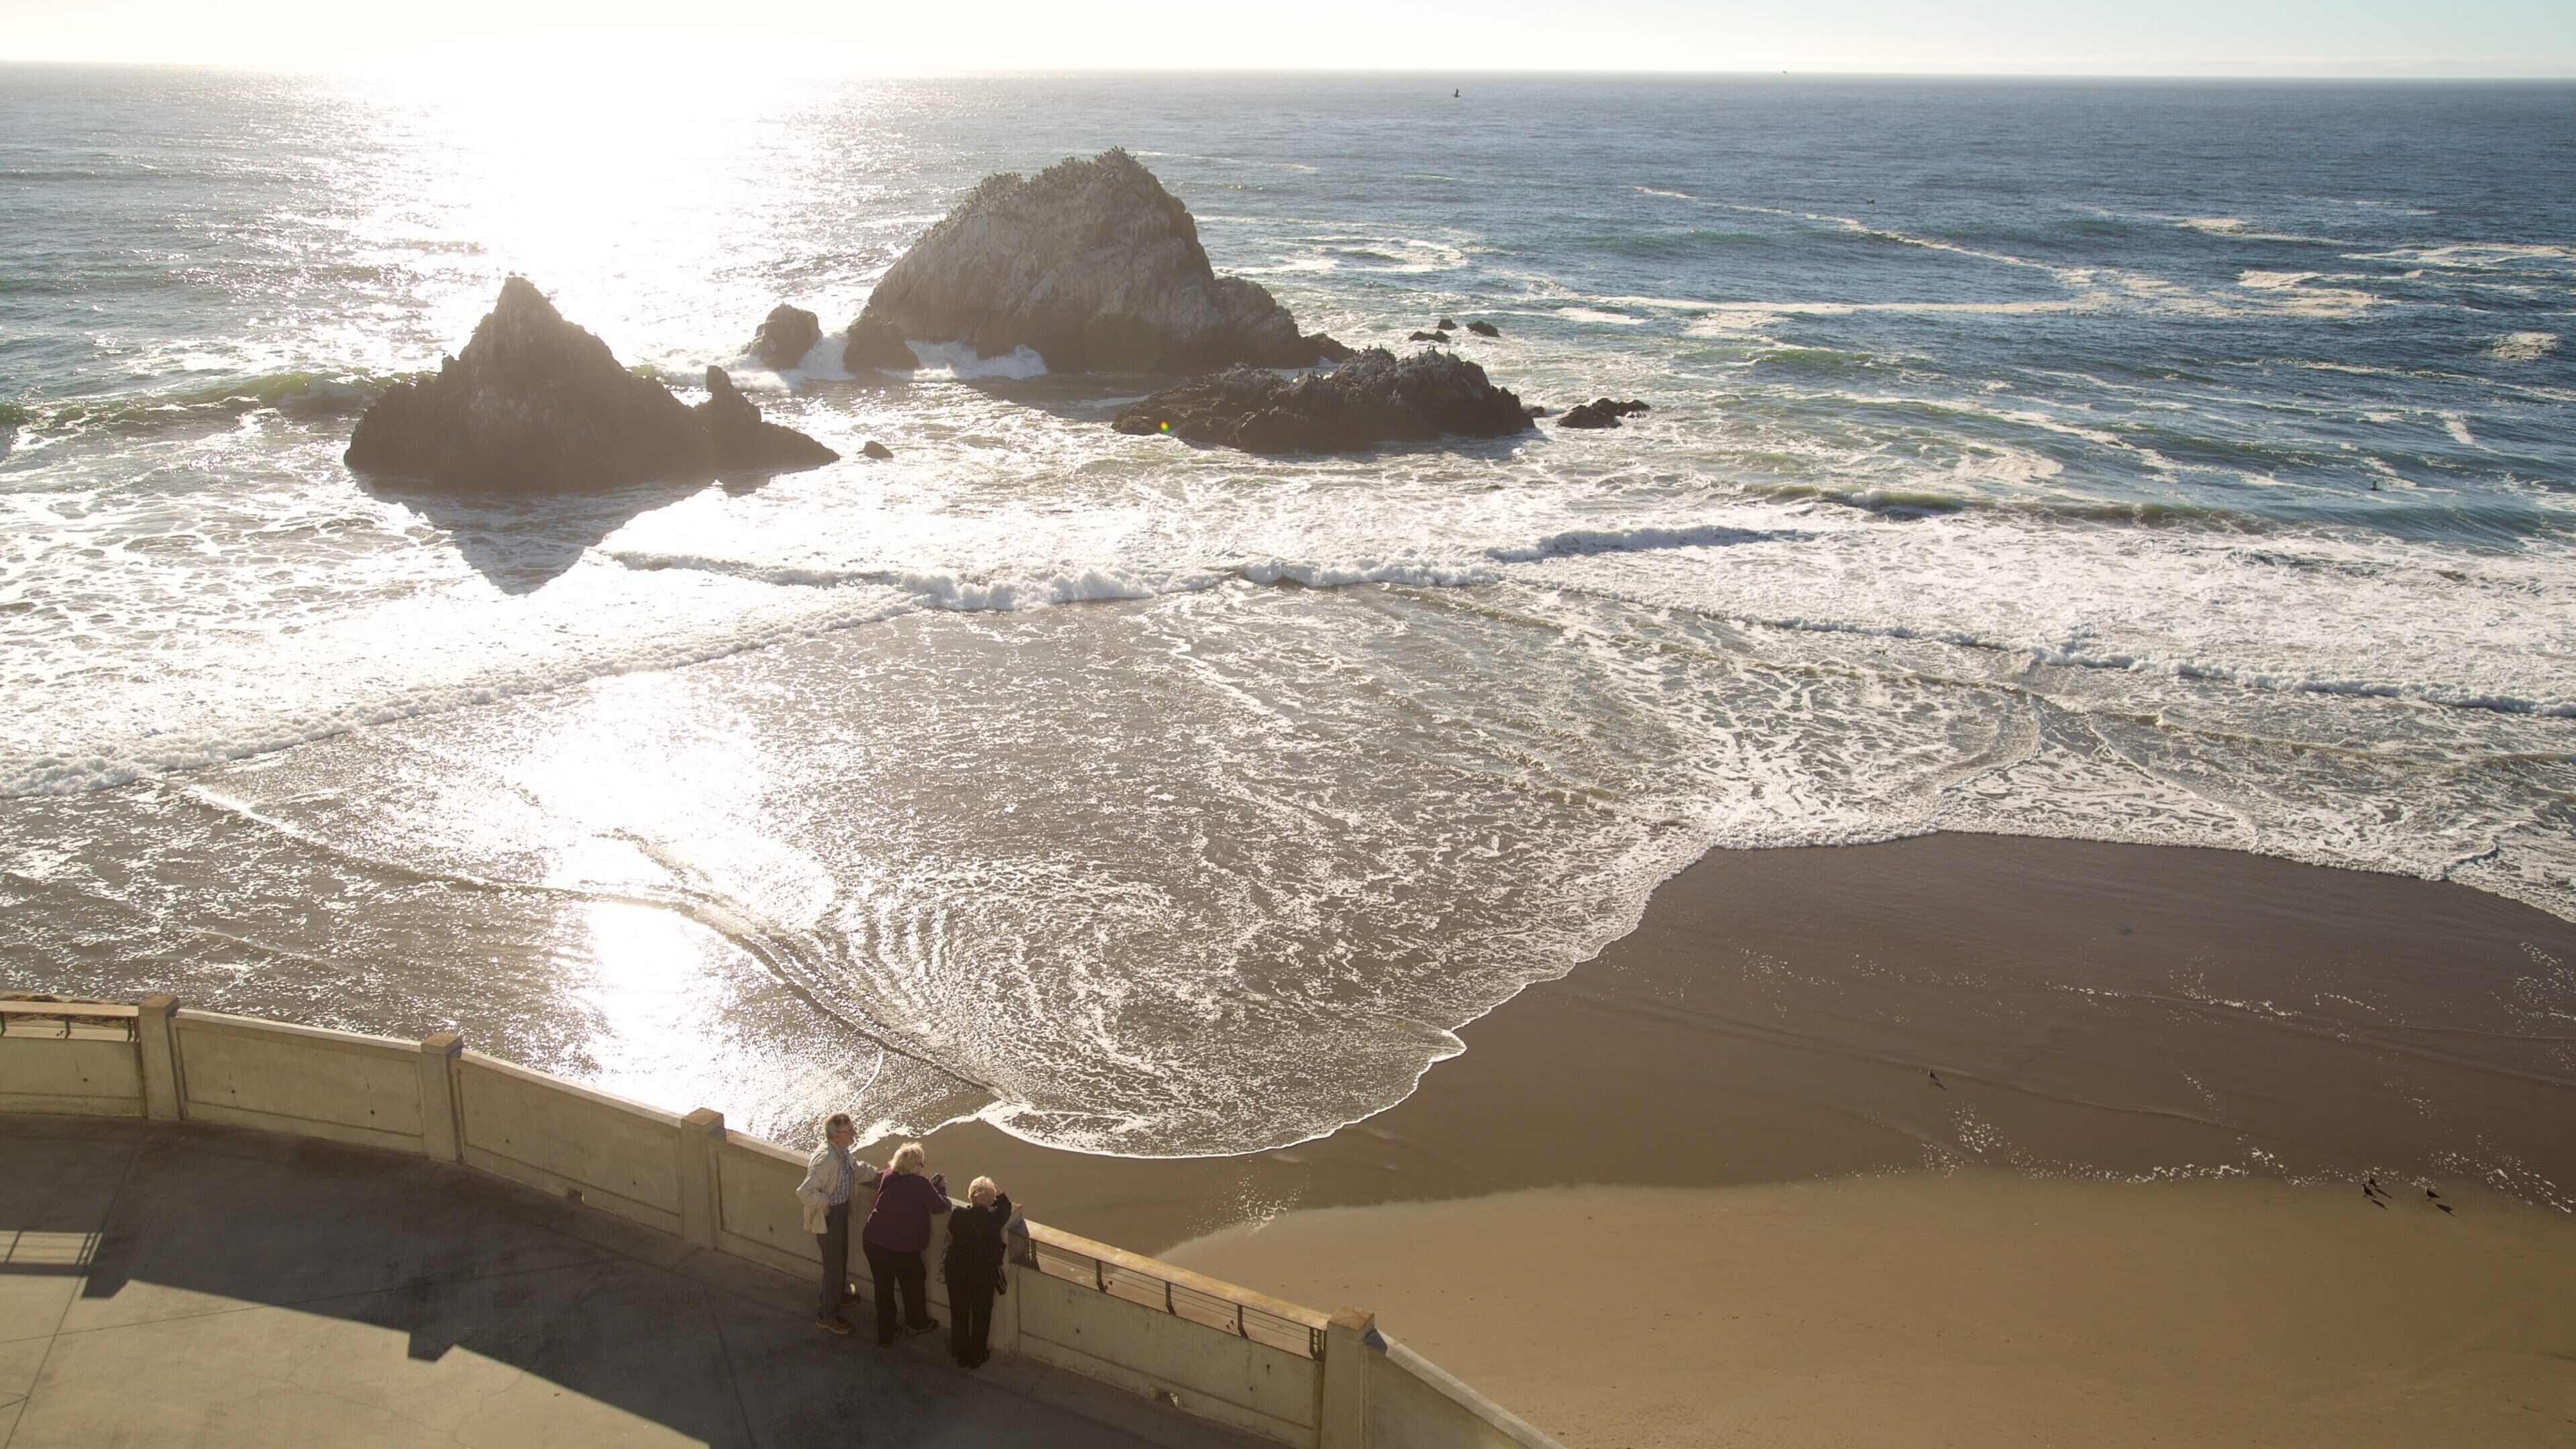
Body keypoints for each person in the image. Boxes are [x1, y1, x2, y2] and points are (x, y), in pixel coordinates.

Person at [794, 1113, 879, 1336]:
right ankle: (827, 1316)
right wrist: (824, 1202)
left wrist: (878, 1175)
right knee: (834, 1266)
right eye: (849, 1131)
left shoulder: (840, 1152)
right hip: (829, 1216)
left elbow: (856, 1170)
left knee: (839, 1260)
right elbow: (804, 1192)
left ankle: (837, 1295)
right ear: (835, 1135)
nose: (854, 1134)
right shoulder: (827, 1159)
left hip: (838, 1212)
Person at [861, 1141, 950, 1346]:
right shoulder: (920, 1185)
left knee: (883, 1290)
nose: (923, 1167)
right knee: (914, 1284)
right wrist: (941, 1189)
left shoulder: (889, 1175)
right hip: (902, 1248)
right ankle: (917, 1324)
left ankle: (886, 1334)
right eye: (922, 1163)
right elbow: (939, 1207)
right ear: (914, 1166)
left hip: (873, 1240)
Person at [943, 1176, 1014, 1368]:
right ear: (991, 1201)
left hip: (957, 1269)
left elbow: (952, 1227)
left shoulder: (958, 1216)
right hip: (982, 1273)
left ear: (970, 1197)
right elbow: (1006, 1206)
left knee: (959, 1312)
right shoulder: (994, 1219)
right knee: (982, 1313)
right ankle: (977, 1353)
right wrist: (996, 1191)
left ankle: (960, 1352)